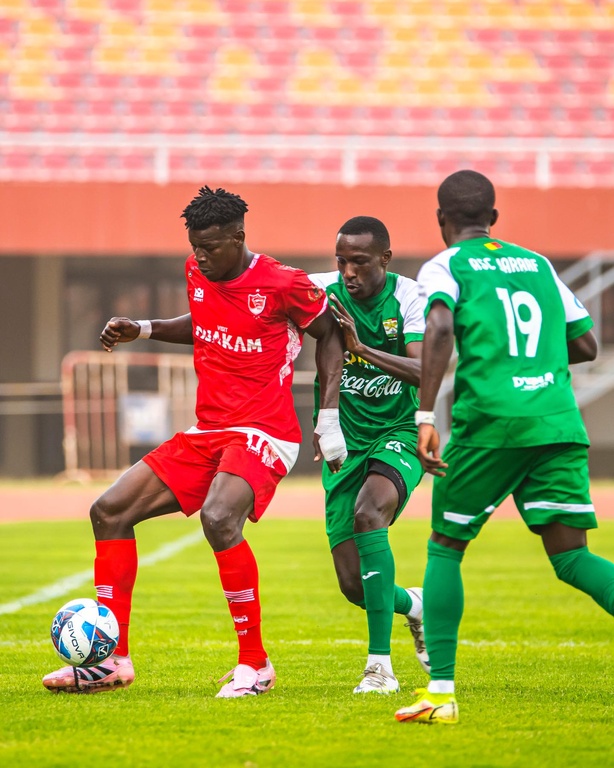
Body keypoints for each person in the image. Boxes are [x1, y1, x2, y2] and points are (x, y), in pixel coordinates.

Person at [43, 185, 347, 698]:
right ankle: (111, 661)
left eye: (210, 246)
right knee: (109, 510)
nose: (200, 257)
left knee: (218, 516)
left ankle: (256, 665)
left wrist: (330, 414)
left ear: (238, 237)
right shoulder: (197, 272)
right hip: (208, 429)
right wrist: (143, 328)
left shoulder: (281, 282)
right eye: (194, 247)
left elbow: (332, 333)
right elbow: (206, 323)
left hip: (264, 430)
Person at [395, 169, 614, 724]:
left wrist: (425, 414)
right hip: (557, 421)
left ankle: (441, 696)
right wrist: (532, 369)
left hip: (493, 422)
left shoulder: (446, 265)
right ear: (494, 218)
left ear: (442, 220)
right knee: (571, 558)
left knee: (446, 546)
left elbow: (439, 329)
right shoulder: (537, 264)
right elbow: (585, 343)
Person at [309, 216, 430, 695]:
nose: (349, 272)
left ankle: (380, 669)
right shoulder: (323, 289)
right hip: (346, 446)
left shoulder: (411, 298)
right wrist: (149, 328)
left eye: (359, 261)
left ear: (385, 258)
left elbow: (427, 370)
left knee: (368, 513)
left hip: (400, 432)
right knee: (354, 586)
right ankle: (415, 605)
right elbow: (241, 306)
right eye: (341, 261)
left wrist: (363, 347)